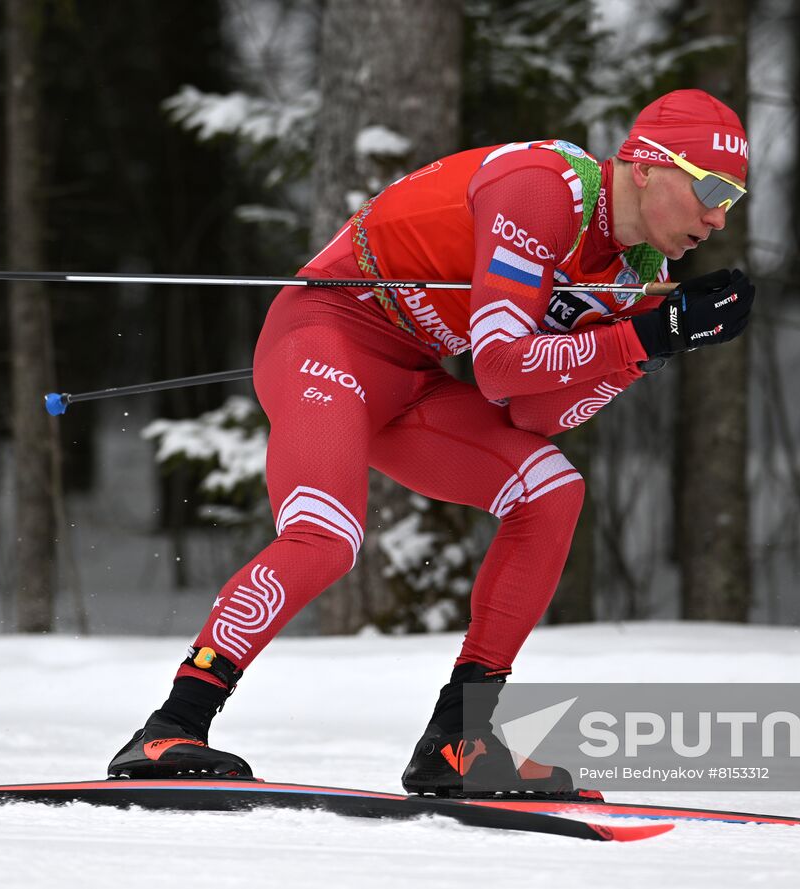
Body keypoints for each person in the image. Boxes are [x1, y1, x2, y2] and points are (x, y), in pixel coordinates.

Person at [109, 88, 755, 797]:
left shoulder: (637, 278)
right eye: (711, 189)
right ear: (647, 166)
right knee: (327, 536)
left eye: (734, 197)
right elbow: (499, 366)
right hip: (325, 332)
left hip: (411, 377)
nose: (719, 217)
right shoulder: (546, 188)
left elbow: (535, 415)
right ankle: (171, 726)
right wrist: (644, 335)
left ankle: (458, 737)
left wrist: (651, 345)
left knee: (551, 492)